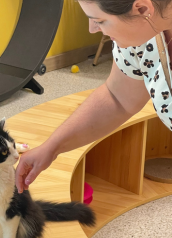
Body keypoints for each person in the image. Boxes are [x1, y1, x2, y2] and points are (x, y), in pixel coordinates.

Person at [15, 1, 172, 193]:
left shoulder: (142, 27)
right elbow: (119, 98)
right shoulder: (142, 35)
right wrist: (51, 148)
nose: (92, 29)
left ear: (142, 9)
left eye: (100, 20)